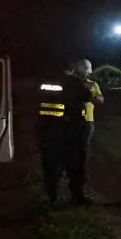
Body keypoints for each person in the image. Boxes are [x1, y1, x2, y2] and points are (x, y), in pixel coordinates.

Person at [37, 61, 93, 205]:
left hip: (48, 130)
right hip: (70, 131)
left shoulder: (46, 82)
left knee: (51, 166)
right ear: (72, 70)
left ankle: (51, 197)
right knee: (75, 165)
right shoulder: (73, 82)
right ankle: (77, 196)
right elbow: (87, 96)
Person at [73, 59, 104, 183]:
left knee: (83, 149)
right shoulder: (72, 85)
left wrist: (92, 96)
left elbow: (101, 99)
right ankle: (76, 173)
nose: (86, 74)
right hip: (73, 121)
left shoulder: (92, 85)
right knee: (75, 149)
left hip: (87, 121)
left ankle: (81, 174)